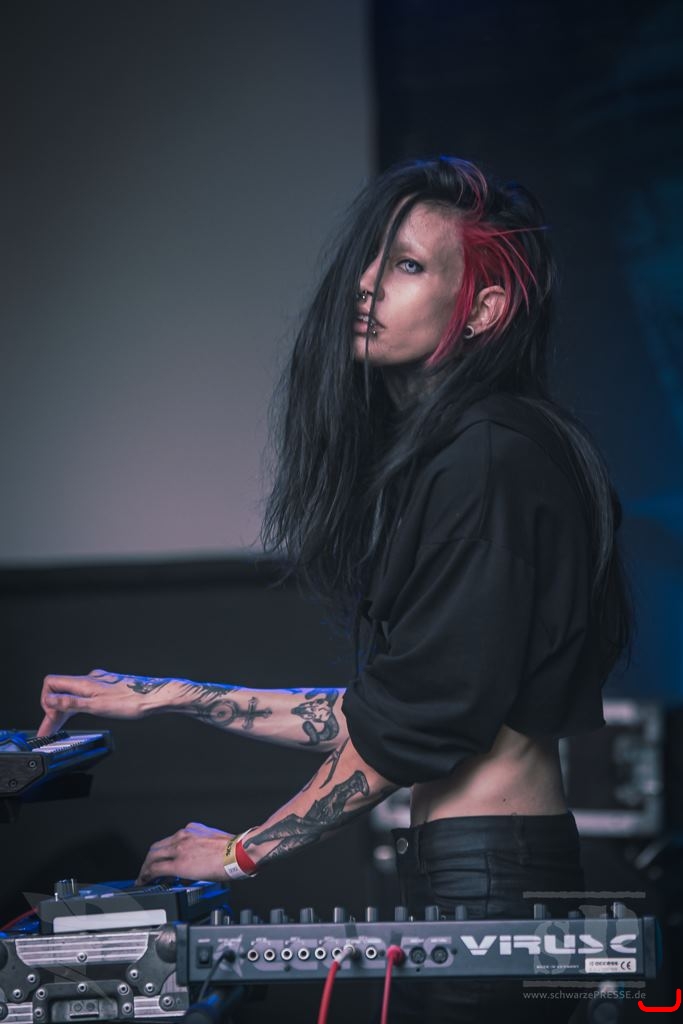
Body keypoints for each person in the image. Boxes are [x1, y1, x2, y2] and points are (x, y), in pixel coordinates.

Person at [38, 157, 632, 1022]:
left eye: (407, 265)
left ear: (484, 309)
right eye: (370, 259)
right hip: (480, 871)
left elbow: (414, 727)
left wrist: (242, 853)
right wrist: (169, 695)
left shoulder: (489, 457)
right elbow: (388, 710)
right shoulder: (470, 452)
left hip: (492, 876)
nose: (365, 283)